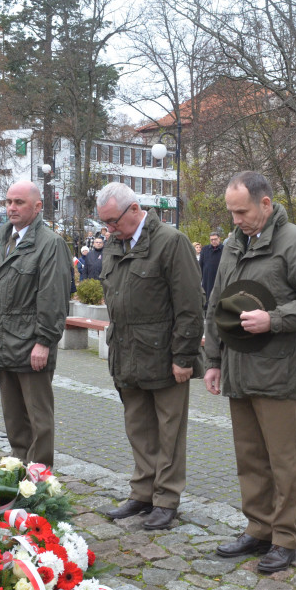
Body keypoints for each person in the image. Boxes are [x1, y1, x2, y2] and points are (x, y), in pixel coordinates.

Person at [203, 171, 296, 575]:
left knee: (282, 461)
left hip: (277, 372)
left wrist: (274, 319)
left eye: (241, 211)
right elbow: (217, 303)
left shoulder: (293, 241)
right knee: (250, 457)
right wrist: (212, 359)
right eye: (230, 212)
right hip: (239, 369)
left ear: (265, 203)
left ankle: (283, 539)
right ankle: (257, 528)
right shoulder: (233, 243)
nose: (235, 219)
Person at [96, 183, 204, 531]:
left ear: (134, 209)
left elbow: (190, 304)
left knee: (169, 431)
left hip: (163, 354)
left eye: (113, 221)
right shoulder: (115, 243)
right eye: (105, 223)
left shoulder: (171, 242)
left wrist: (184, 356)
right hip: (126, 352)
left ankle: (166, 499)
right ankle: (142, 493)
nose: (109, 230)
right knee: (138, 427)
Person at [0, 181, 71, 467]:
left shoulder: (50, 244)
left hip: (31, 346)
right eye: (8, 202)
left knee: (38, 419)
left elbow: (54, 299)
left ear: (38, 207)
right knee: (14, 418)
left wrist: (44, 342)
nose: (11, 208)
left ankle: (39, 479)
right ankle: (18, 470)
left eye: (19, 202)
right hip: (1, 344)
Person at [199, 231, 224, 308]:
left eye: (215, 239)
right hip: (207, 278)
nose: (213, 241)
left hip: (219, 277)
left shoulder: (224, 249)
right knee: (207, 297)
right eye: (211, 240)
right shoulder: (205, 249)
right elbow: (200, 264)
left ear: (219, 239)